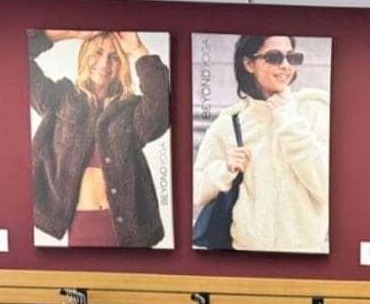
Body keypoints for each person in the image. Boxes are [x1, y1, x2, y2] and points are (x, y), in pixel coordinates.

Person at [29, 29, 170, 248]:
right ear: (85, 54)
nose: (105, 63)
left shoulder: (131, 109)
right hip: (80, 227)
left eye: (114, 57)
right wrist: (70, 33)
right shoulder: (58, 98)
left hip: (128, 233)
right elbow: (17, 56)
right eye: (98, 52)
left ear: (122, 64)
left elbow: (160, 114)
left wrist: (138, 51)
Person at [193, 35, 329, 253]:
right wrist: (225, 170)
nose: (285, 66)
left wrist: (289, 122)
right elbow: (198, 190)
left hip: (306, 259)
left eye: (291, 57)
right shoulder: (230, 122)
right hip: (245, 258)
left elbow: (327, 187)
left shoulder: (315, 110)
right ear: (248, 64)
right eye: (274, 57)